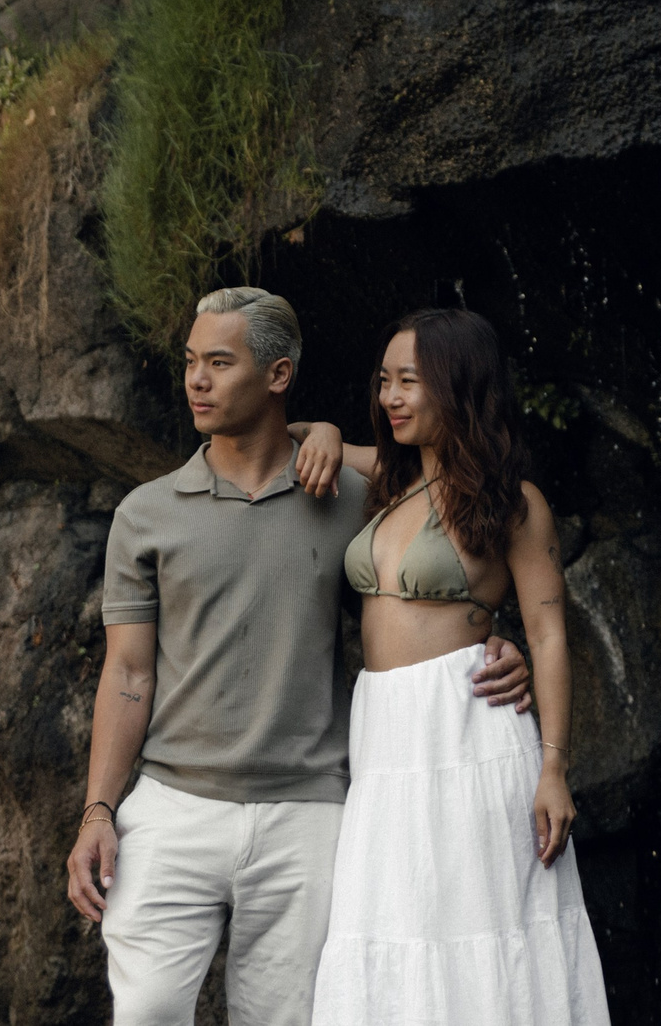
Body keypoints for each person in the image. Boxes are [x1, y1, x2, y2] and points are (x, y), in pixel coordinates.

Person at [65, 286, 532, 1026]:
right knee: (148, 1009)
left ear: (278, 374)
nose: (196, 380)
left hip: (311, 813)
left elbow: (446, 555)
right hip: (172, 806)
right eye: (191, 361)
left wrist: (493, 636)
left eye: (219, 361)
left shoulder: (356, 495)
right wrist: (98, 810)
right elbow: (127, 673)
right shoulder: (145, 512)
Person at [289, 306, 613, 1024]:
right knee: (390, 921)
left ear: (457, 385)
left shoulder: (514, 503)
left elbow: (549, 633)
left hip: (471, 732)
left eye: (409, 381)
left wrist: (554, 767)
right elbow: (292, 439)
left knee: (484, 920)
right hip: (385, 741)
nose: (390, 396)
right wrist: (327, 431)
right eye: (384, 380)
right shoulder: (388, 479)